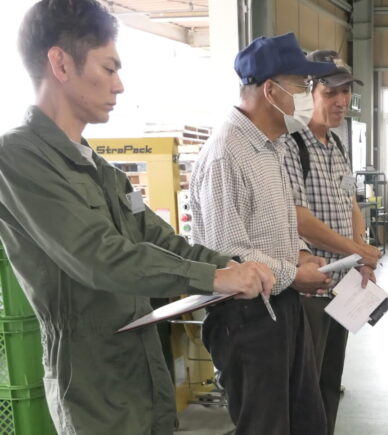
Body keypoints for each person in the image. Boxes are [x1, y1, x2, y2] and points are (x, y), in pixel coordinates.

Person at [0, 1, 274, 434]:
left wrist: (230, 266)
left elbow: (164, 241)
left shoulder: (101, 170)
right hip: (91, 378)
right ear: (60, 63)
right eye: (109, 69)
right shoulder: (18, 158)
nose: (120, 85)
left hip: (142, 363)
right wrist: (213, 279)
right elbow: (96, 256)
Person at [189, 33, 338, 435]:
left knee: (307, 420)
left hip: (283, 306)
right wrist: (295, 272)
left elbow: (282, 218)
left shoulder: (274, 146)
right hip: (247, 319)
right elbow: (227, 253)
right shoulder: (225, 154)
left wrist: (302, 253)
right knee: (265, 426)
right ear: (270, 90)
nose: (306, 96)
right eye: (300, 86)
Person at [283, 50, 381, 435]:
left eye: (345, 91)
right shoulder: (293, 145)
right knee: (305, 387)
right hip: (310, 286)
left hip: (341, 287)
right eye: (331, 91)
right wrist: (354, 250)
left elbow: (351, 202)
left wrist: (363, 255)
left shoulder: (337, 145)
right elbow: (297, 216)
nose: (341, 101)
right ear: (310, 91)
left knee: (329, 380)